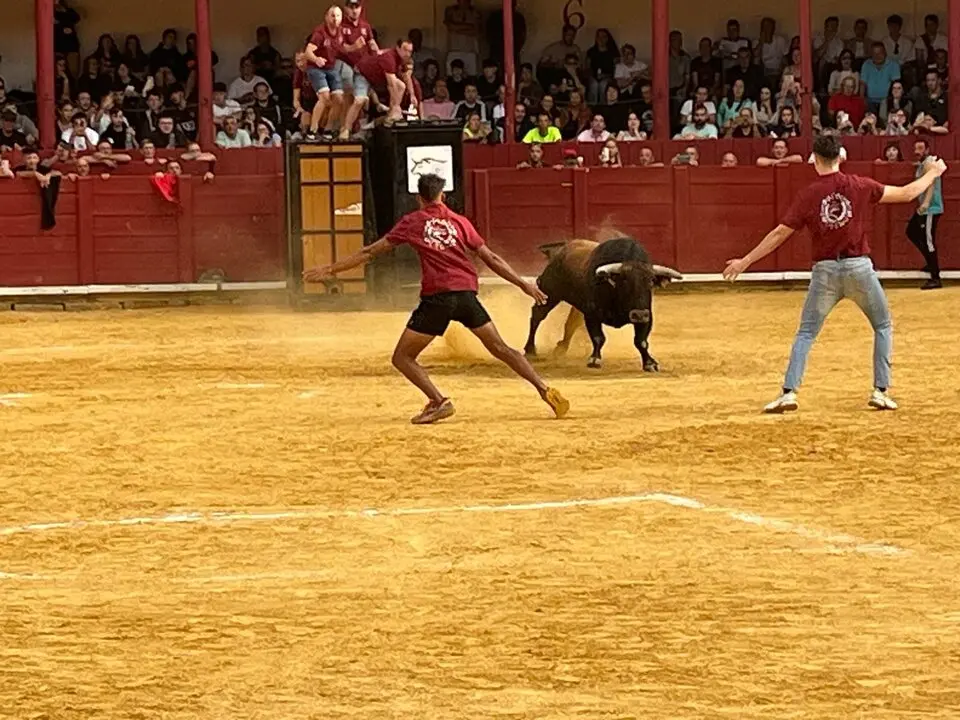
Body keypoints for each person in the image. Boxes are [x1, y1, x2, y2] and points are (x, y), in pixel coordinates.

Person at [302, 173, 570, 425]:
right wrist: (523, 284)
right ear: (442, 195)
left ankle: (438, 400)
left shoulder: (413, 222)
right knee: (502, 349)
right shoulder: (460, 222)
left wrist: (330, 270)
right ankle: (545, 390)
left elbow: (371, 252)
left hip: (438, 298)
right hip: (466, 295)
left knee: (403, 358)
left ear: (419, 197)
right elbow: (492, 258)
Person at [722, 134, 947, 414]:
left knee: (806, 333)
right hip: (859, 269)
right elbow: (907, 193)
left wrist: (745, 261)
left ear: (815, 159)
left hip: (825, 272)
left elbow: (780, 233)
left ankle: (789, 392)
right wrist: (934, 173)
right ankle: (880, 391)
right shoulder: (860, 185)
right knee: (882, 326)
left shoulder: (808, 194)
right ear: (840, 157)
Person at [905, 139, 943, 290]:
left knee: (928, 241)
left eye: (921, 148)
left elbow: (931, 183)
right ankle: (930, 262)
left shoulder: (928, 163)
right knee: (912, 232)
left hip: (930, 209)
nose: (917, 151)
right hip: (926, 208)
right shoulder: (925, 163)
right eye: (915, 148)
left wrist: (926, 203)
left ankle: (935, 277)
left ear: (927, 150)